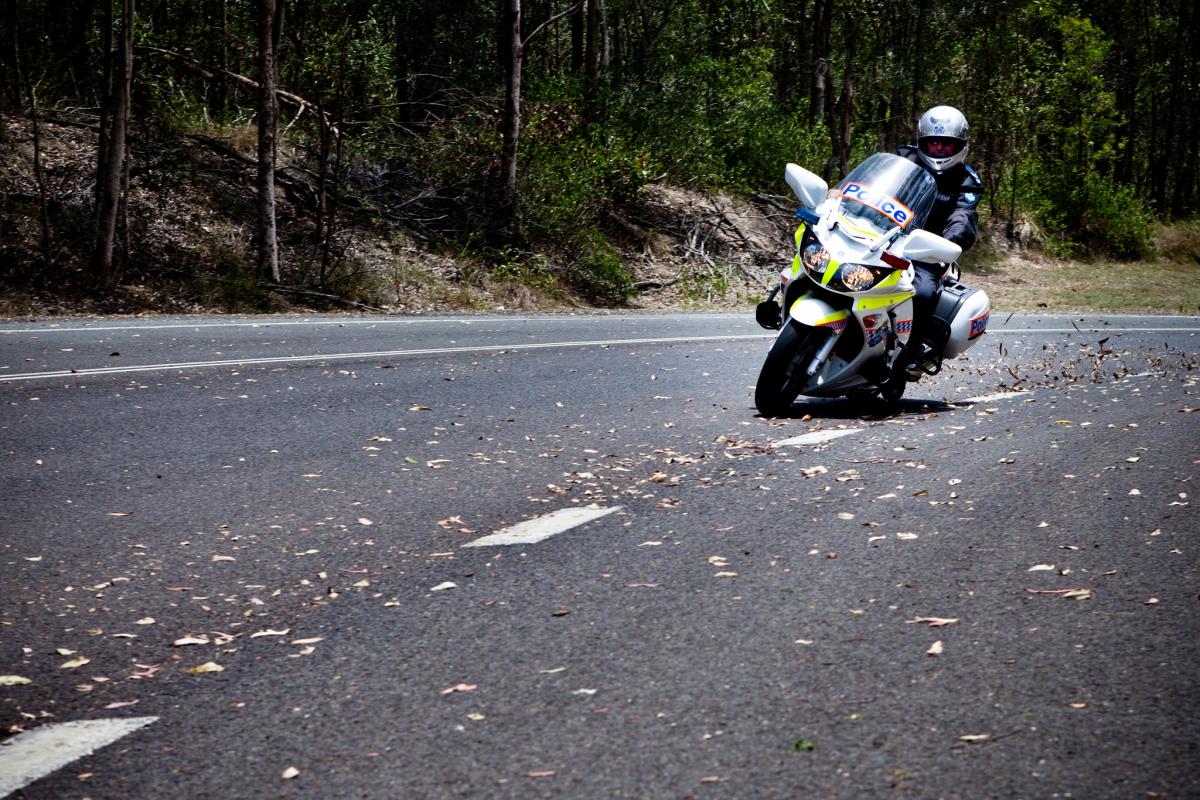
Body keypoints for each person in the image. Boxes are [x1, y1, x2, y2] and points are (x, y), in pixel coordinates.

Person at [896, 105, 983, 376]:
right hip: (881, 237)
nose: (939, 150)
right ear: (922, 141)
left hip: (927, 251)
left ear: (960, 146)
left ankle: (909, 353)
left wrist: (950, 242)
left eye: (947, 144)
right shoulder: (904, 159)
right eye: (933, 143)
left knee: (920, 292)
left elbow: (962, 216)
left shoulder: (967, 181)